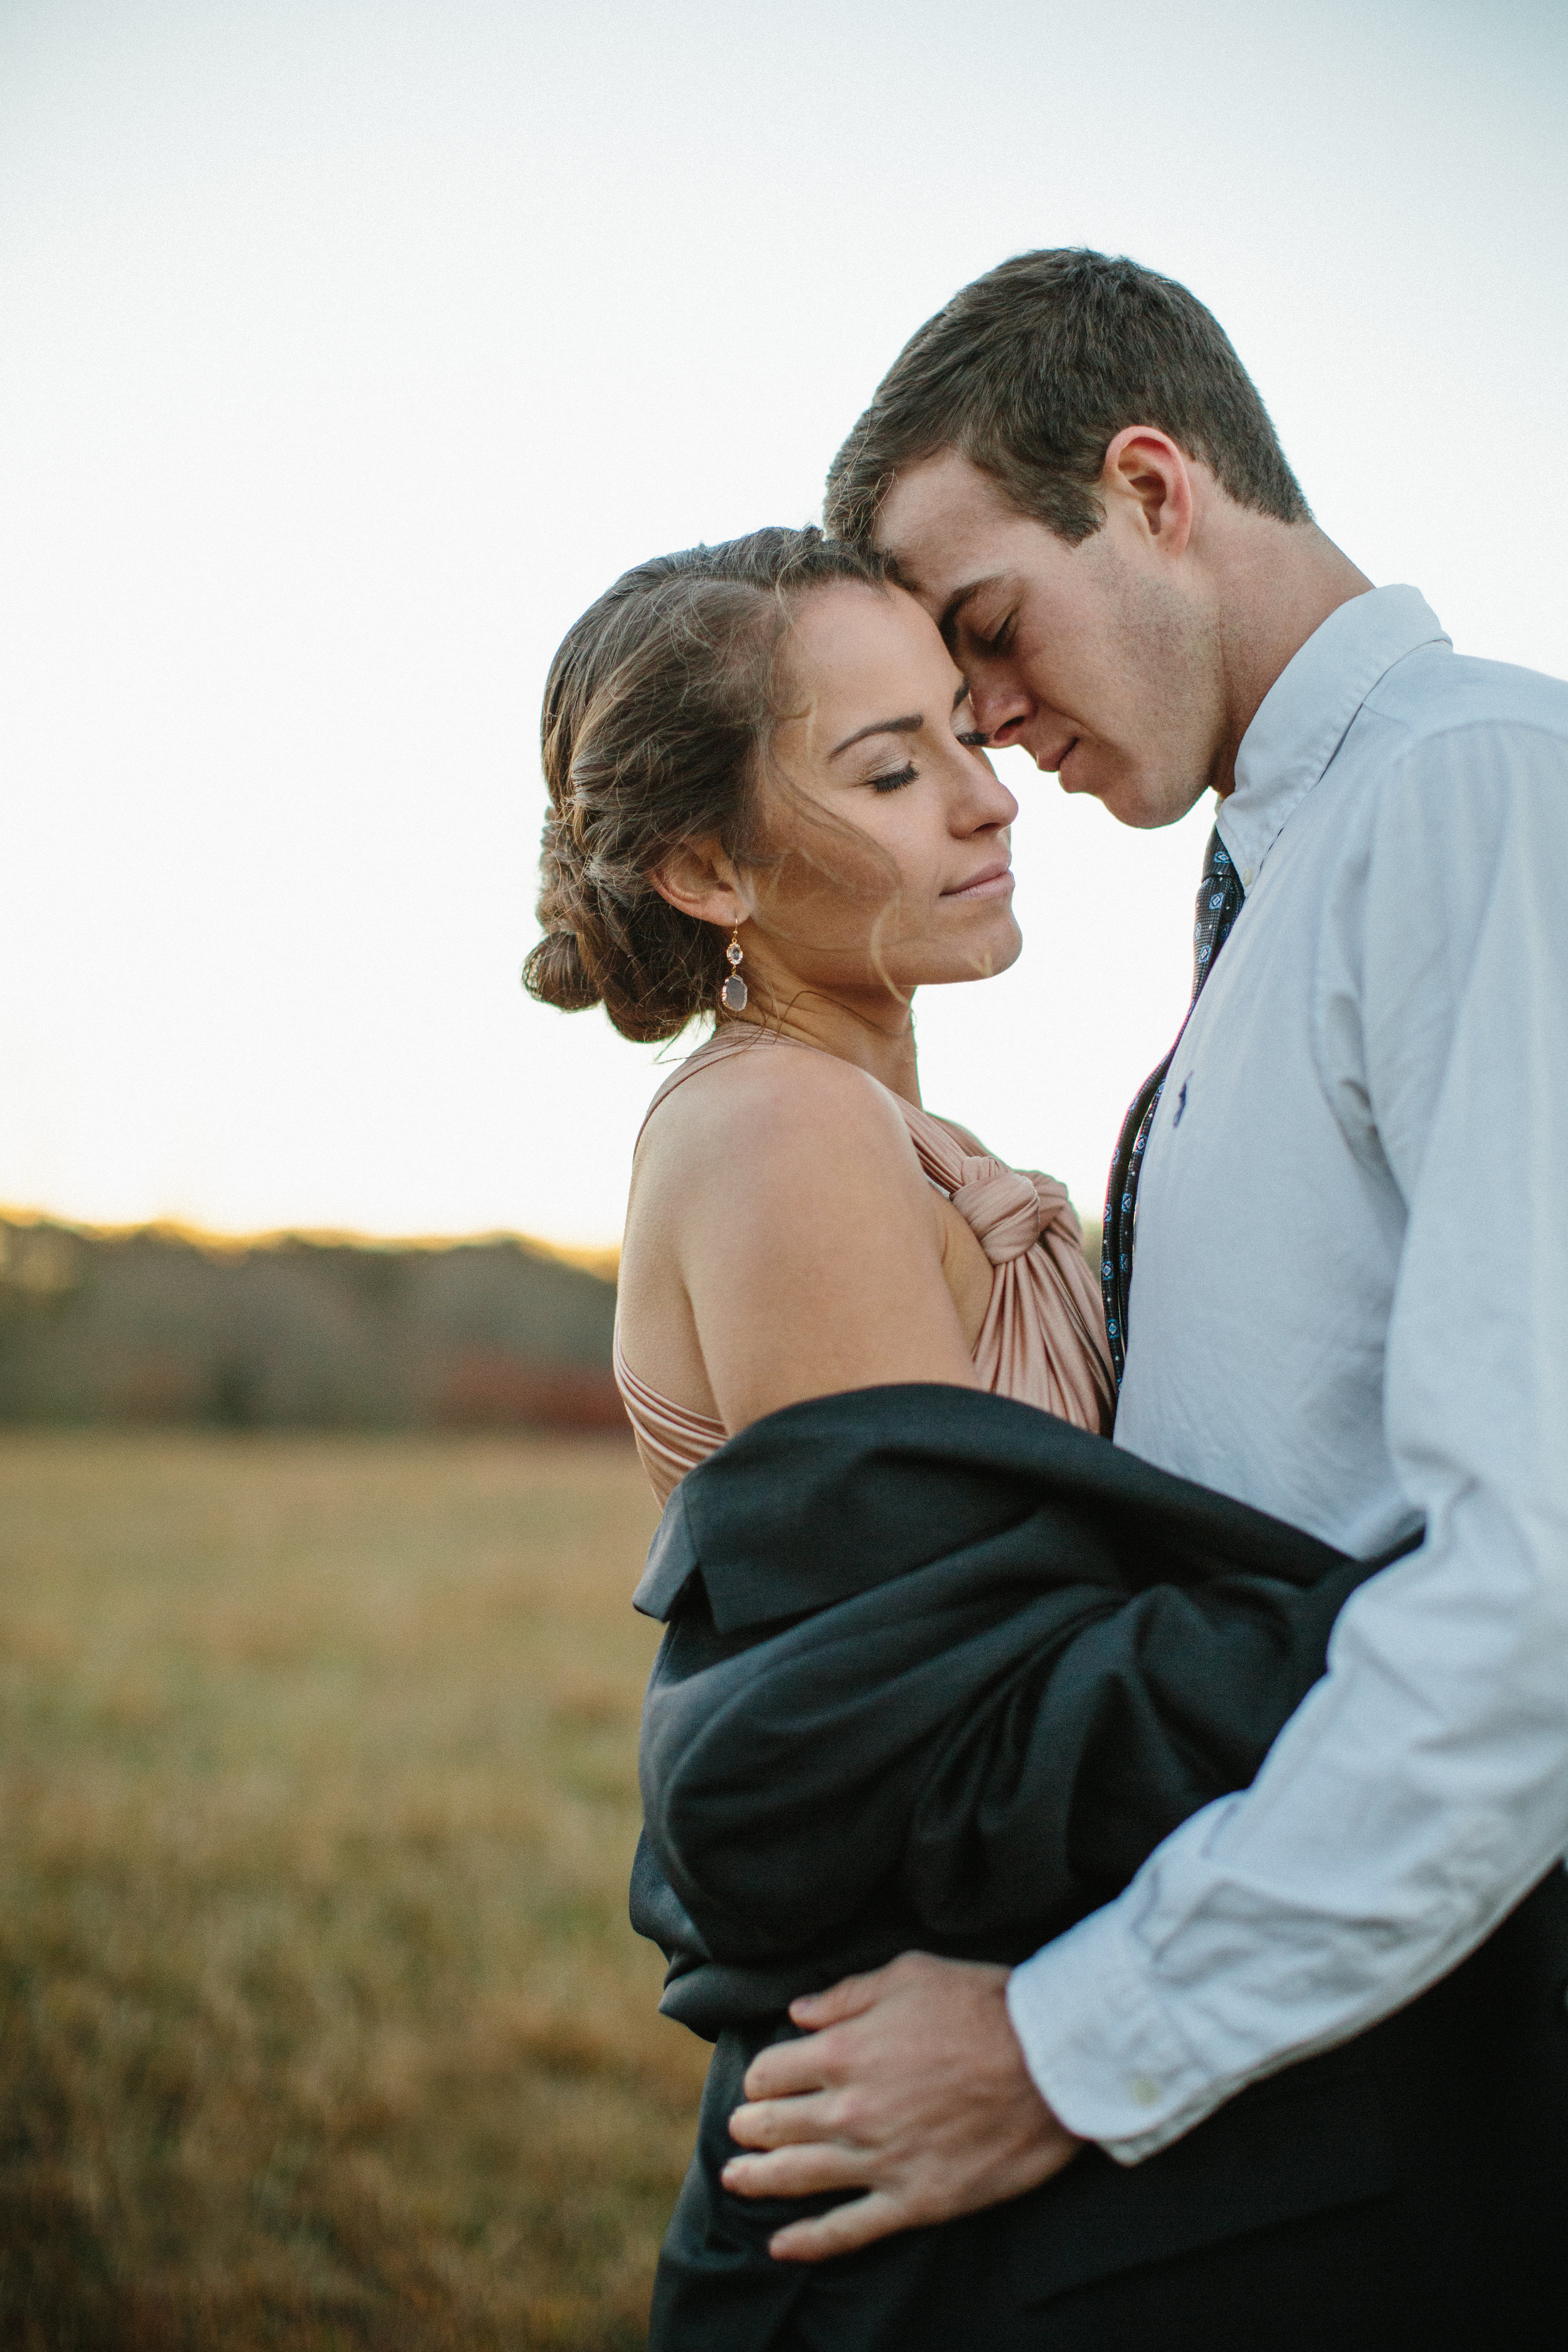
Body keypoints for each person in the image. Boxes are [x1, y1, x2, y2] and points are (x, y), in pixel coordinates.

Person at [523, 512, 1568, 2348]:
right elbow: (946, 1738)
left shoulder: (899, 1135)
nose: (982, 792)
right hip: (891, 2110)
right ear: (706, 867)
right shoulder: (785, 1134)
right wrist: (1451, 1611)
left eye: (957, 725)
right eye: (885, 764)